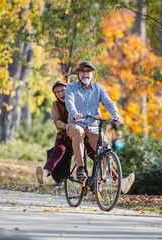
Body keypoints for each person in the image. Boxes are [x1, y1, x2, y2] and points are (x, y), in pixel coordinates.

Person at [36, 80, 134, 194]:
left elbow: (93, 109)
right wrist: (65, 125)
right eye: (57, 92)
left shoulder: (78, 98)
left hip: (83, 133)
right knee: (59, 150)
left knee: (97, 154)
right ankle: (44, 173)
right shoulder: (56, 104)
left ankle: (118, 182)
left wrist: (97, 118)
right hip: (65, 134)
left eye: (63, 90)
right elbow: (56, 120)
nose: (61, 94)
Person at [65, 61, 134, 193]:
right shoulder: (71, 87)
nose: (85, 74)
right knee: (79, 132)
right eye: (83, 71)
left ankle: (99, 180)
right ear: (78, 73)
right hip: (75, 124)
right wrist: (74, 114)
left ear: (92, 74)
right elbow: (69, 102)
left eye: (88, 71)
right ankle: (80, 167)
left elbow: (108, 102)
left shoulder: (98, 89)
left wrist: (116, 116)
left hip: (92, 125)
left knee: (105, 147)